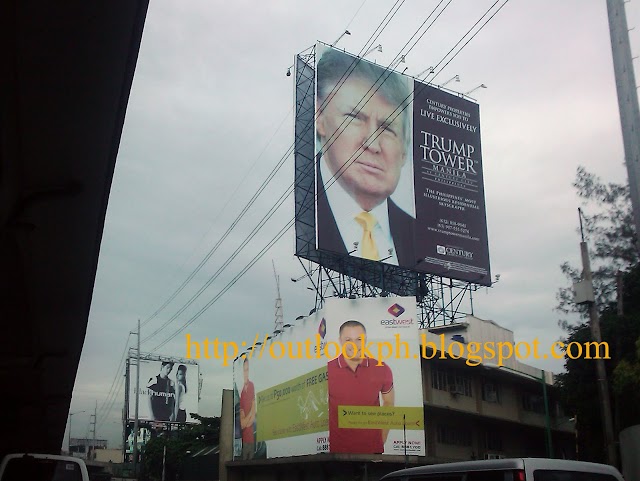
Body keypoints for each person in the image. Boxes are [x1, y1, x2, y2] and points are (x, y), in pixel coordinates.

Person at [315, 47, 415, 267]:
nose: (372, 144)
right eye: (354, 117)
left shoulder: (421, 239)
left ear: (405, 150)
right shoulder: (302, 211)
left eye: (388, 128)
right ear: (319, 118)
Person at [327, 320, 394, 454]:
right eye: (348, 340)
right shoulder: (328, 370)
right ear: (340, 341)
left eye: (359, 339)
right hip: (337, 453)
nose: (354, 344)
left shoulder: (382, 368)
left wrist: (382, 438)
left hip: (373, 452)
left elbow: (389, 403)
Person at [239, 357, 256, 460]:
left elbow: (250, 422)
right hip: (244, 441)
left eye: (247, 370)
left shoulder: (252, 386)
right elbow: (242, 424)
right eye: (244, 370)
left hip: (251, 440)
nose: (245, 373)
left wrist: (248, 417)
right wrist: (250, 415)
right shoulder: (242, 393)